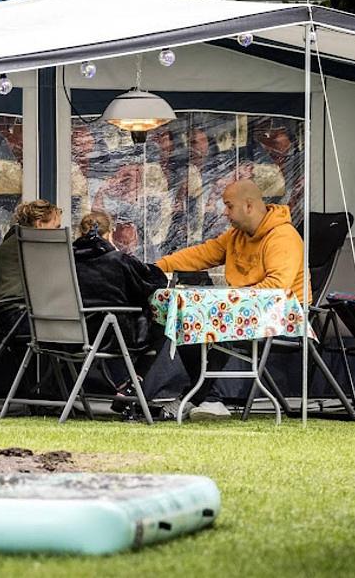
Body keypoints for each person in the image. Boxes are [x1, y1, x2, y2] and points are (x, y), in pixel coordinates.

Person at [154, 178, 308, 420]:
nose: (224, 213)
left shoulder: (283, 237)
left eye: (229, 206)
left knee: (210, 323)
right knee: (187, 319)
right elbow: (202, 254)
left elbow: (277, 289)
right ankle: (206, 398)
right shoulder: (236, 235)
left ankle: (206, 398)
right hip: (245, 313)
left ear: (248, 205)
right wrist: (157, 267)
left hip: (283, 320)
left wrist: (227, 301)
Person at [72, 211, 170, 420]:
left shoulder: (64, 261)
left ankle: (126, 386)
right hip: (111, 336)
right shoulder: (119, 260)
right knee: (163, 325)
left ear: (79, 232)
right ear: (109, 234)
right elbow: (155, 282)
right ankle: (131, 386)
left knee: (116, 323)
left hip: (67, 335)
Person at [0, 199, 62, 331]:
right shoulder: (32, 244)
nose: (58, 231)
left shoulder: (15, 241)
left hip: (4, 314)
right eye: (56, 227)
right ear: (40, 223)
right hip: (17, 317)